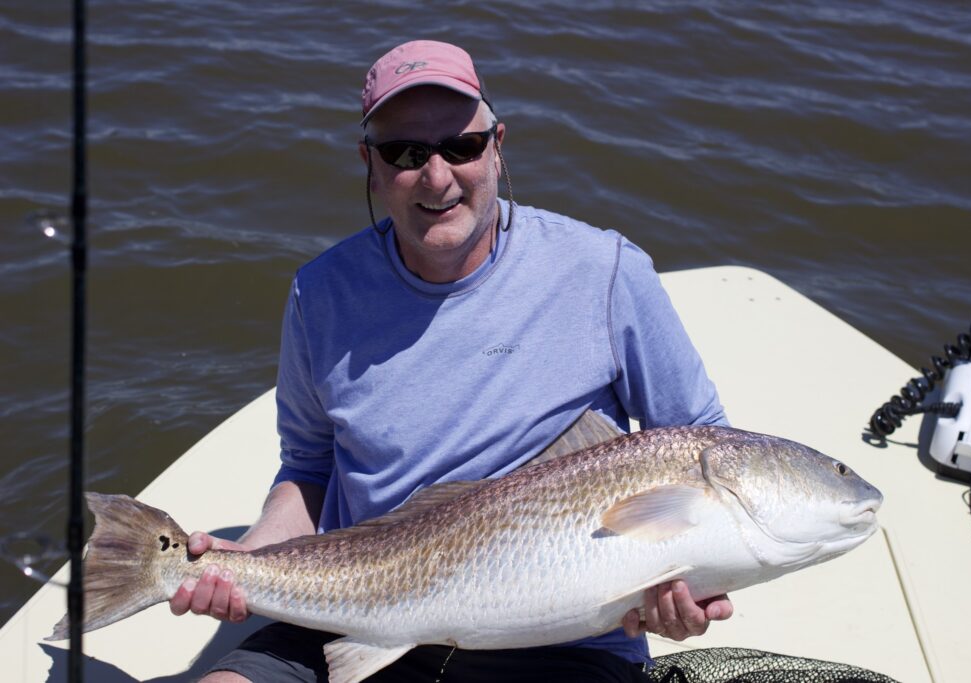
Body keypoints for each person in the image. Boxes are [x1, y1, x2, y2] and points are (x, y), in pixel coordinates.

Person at [170, 40, 733, 682]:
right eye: (406, 154)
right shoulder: (321, 294)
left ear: (497, 146)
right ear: (370, 165)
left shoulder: (604, 272)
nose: (437, 177)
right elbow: (308, 466)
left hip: (563, 633)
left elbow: (699, 456)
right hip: (361, 605)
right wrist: (241, 563)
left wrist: (692, 587)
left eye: (460, 147)